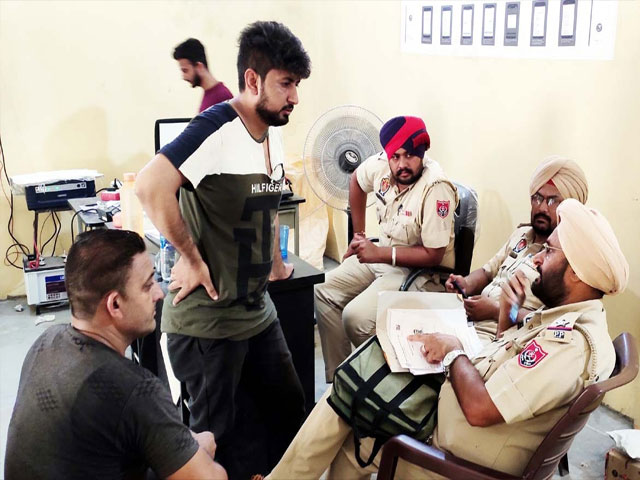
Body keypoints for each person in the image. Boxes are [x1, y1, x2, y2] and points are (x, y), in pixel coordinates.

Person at [264, 198, 628, 480]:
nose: (537, 260)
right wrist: (508, 312)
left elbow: (481, 409)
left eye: (549, 252)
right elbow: (508, 362)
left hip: (457, 458)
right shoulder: (567, 319)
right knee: (355, 390)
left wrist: (453, 352)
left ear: (576, 272)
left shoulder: (568, 345)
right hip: (458, 421)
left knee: (349, 417)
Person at [136, 21, 311, 479]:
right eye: (286, 83)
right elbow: (151, 185)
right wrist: (191, 259)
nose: (295, 96)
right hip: (208, 322)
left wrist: (276, 264)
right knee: (216, 443)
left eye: (297, 84)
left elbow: (270, 203)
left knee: (289, 412)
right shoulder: (215, 127)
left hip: (256, 311)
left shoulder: (273, 131)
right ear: (253, 80)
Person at [4, 229, 226, 480]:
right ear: (115, 304)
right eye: (148, 285)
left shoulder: (46, 342)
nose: (159, 293)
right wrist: (202, 447)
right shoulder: (134, 389)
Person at [315, 115, 458, 382]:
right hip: (383, 256)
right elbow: (356, 180)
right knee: (323, 290)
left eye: (410, 155)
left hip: (419, 272)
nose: (402, 164)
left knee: (356, 318)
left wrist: (378, 253)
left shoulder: (436, 188)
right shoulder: (383, 164)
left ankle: (385, 385)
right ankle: (340, 381)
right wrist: (358, 236)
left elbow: (434, 254)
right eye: (396, 157)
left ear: (422, 151)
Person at [446, 156, 588, 343]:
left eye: (553, 201)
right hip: (468, 323)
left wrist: (498, 311)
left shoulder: (566, 258)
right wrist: (465, 284)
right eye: (537, 198)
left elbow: (551, 320)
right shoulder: (521, 234)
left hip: (503, 339)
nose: (542, 208)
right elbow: (487, 272)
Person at [173, 38, 233, 112]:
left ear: (199, 66)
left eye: (185, 70)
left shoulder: (222, 96)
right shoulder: (210, 94)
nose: (183, 77)